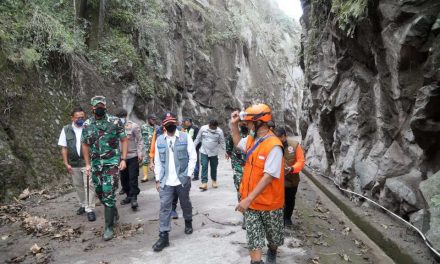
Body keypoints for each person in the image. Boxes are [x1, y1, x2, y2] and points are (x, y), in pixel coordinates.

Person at [231, 104, 285, 264]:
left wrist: (247, 199)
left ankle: (273, 250)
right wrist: (233, 125)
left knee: (274, 239)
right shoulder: (251, 139)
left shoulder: (274, 145)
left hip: (270, 204)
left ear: (259, 122)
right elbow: (237, 143)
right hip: (252, 205)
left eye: (248, 123)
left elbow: (268, 176)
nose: (246, 125)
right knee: (254, 241)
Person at [81, 96, 128, 241]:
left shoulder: (115, 121)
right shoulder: (87, 124)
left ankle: (108, 227)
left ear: (105, 106)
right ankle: (112, 209)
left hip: (111, 163)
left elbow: (124, 139)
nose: (99, 108)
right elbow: (85, 144)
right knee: (100, 193)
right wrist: (88, 164)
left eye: (101, 105)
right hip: (96, 164)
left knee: (108, 193)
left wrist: (123, 159)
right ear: (93, 108)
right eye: (96, 106)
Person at [152, 112, 197, 252]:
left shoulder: (185, 137)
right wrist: (158, 180)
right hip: (166, 181)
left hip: (182, 179)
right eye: (167, 123)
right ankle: (163, 236)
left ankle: (188, 221)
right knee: (165, 207)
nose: (170, 125)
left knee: (185, 203)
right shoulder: (159, 140)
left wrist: (188, 174)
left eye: (172, 122)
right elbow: (157, 162)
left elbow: (193, 156)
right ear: (164, 126)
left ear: (176, 124)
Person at [58, 107, 96, 222]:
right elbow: (64, 147)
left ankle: (90, 209)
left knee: (89, 185)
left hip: (87, 163)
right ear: (72, 118)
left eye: (82, 117)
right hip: (73, 163)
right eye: (78, 117)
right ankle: (83, 204)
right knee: (78, 186)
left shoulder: (88, 127)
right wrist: (66, 163)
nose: (80, 119)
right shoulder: (66, 129)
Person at [274, 127, 305, 227]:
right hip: (276, 180)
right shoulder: (272, 145)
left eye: (281, 137)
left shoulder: (295, 145)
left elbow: (301, 161)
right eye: (276, 137)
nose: (279, 140)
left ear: (285, 136)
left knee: (290, 200)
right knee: (277, 200)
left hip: (291, 180)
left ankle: (287, 218)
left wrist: (292, 168)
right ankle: (277, 218)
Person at [115, 108, 143, 210]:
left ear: (126, 116)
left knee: (133, 178)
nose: (121, 119)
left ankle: (134, 198)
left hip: (132, 156)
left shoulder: (134, 126)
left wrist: (140, 153)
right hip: (121, 157)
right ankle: (128, 195)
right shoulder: (114, 127)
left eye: (122, 117)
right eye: (119, 117)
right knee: (123, 179)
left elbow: (139, 140)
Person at [194, 119, 225, 190]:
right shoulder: (203, 128)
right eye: (212, 127)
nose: (214, 129)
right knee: (204, 165)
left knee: (214, 167)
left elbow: (222, 142)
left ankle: (214, 180)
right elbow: (198, 139)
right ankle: (204, 183)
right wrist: (192, 147)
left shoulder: (219, 131)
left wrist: (226, 151)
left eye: (215, 128)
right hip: (204, 151)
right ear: (209, 125)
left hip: (214, 152)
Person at [140, 114, 158, 182]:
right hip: (145, 147)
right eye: (152, 119)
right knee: (145, 161)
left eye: (155, 120)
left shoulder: (156, 127)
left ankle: (156, 175)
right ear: (148, 119)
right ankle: (145, 176)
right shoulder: (143, 127)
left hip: (154, 147)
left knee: (155, 161)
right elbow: (140, 137)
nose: (154, 121)